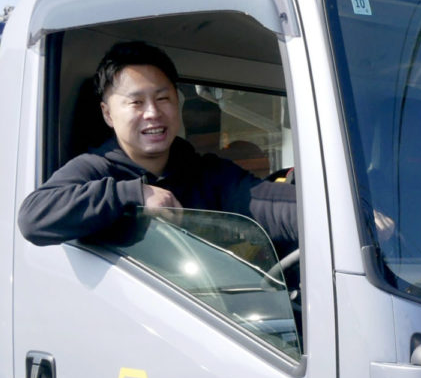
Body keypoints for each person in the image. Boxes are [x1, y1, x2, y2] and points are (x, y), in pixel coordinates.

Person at [17, 41, 296, 251]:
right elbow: (34, 219)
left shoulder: (207, 174)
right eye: (136, 102)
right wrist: (135, 194)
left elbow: (266, 205)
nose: (152, 113)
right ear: (108, 114)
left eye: (163, 99)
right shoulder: (95, 169)